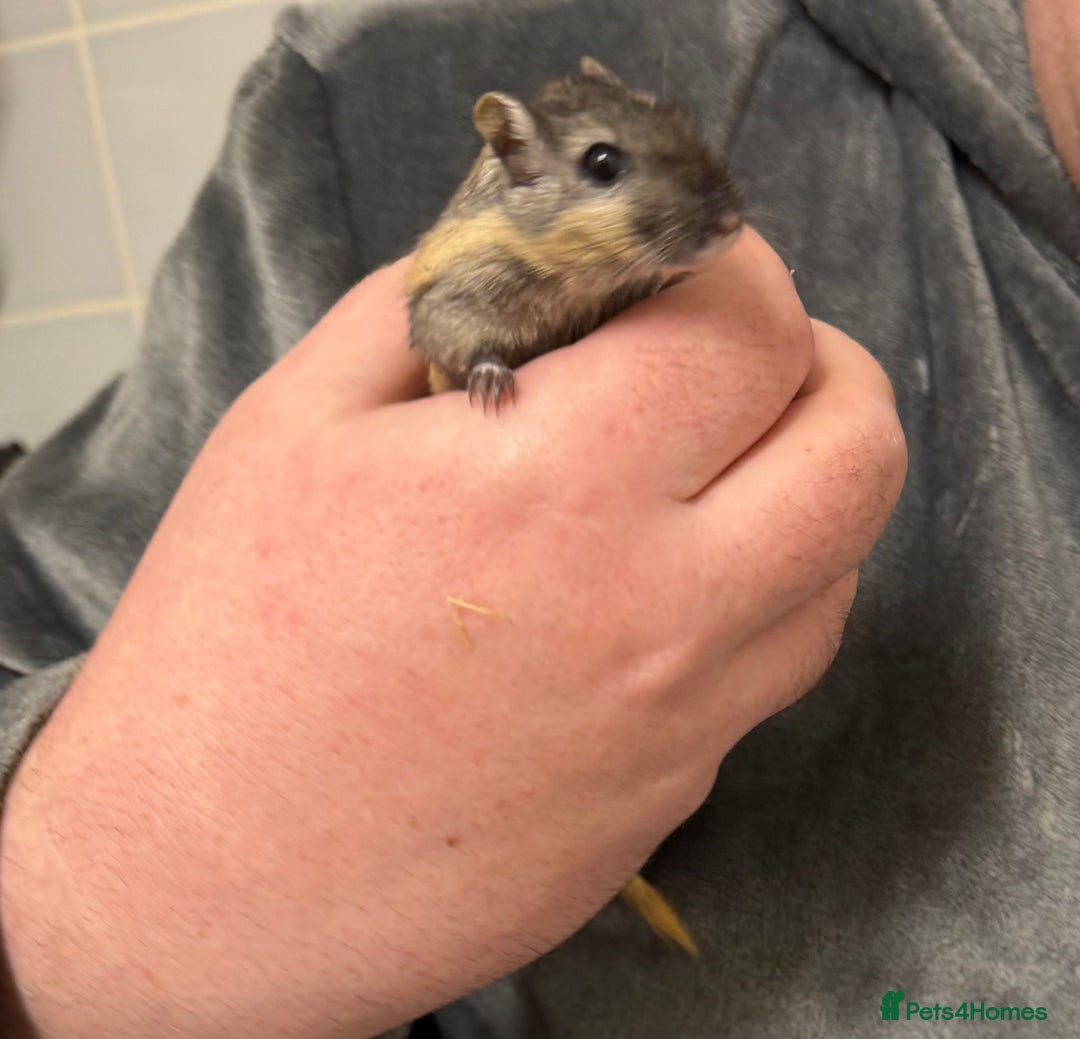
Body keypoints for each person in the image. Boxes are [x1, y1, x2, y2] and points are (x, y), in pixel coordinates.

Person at [0, 0, 1075, 1036]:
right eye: (607, 169)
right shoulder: (364, 95)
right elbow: (38, 600)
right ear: (514, 164)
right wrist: (94, 915)